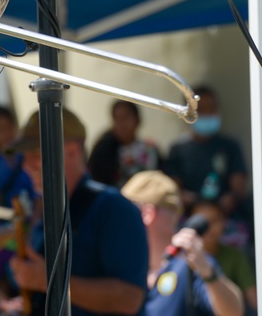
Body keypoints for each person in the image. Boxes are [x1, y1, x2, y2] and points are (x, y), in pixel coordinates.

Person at [7, 107, 148, 316]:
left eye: (36, 154)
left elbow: (130, 299)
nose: (26, 165)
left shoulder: (114, 209)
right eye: (24, 156)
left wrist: (47, 281)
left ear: (71, 152)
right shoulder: (47, 209)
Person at [121, 171, 243, 316]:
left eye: (123, 212)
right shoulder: (126, 266)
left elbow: (234, 313)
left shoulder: (193, 263)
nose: (116, 221)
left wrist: (207, 272)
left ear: (147, 214)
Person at [164, 86, 248, 219]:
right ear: (188, 113)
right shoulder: (178, 150)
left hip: (226, 220)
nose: (208, 113)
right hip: (189, 218)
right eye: (202, 110)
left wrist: (227, 202)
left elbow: (238, 189)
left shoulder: (230, 146)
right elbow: (173, 191)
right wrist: (192, 201)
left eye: (212, 108)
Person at [191, 201, 256, 314]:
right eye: (201, 223)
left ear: (224, 222)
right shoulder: (181, 258)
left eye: (214, 221)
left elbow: (253, 298)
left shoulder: (235, 256)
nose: (208, 228)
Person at [88, 100, 161, 188]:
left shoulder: (149, 148)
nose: (122, 125)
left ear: (137, 120)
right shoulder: (104, 150)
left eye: (126, 118)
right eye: (117, 119)